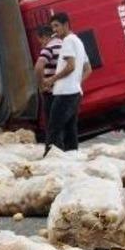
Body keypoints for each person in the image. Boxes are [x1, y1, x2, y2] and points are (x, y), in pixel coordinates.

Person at [42, 12, 91, 156]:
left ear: (66, 25)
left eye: (57, 26)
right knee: (70, 130)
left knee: (54, 129)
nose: (54, 30)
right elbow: (88, 69)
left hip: (64, 93)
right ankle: (72, 158)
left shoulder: (68, 41)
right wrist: (76, 83)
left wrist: (51, 80)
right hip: (74, 92)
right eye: (52, 27)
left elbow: (70, 66)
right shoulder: (78, 42)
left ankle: (52, 159)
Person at [34, 25, 61, 143]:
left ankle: (55, 151)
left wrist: (41, 84)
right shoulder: (63, 44)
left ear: (44, 37)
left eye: (40, 40)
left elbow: (38, 67)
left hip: (51, 93)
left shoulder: (48, 49)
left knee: (51, 126)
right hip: (63, 91)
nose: (41, 44)